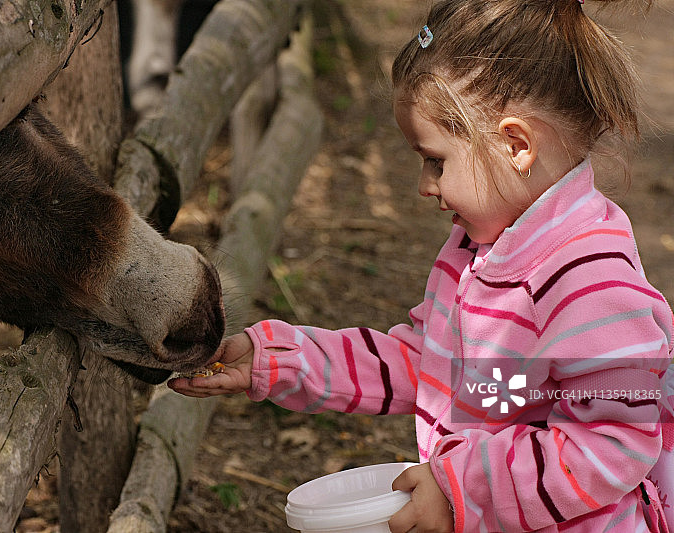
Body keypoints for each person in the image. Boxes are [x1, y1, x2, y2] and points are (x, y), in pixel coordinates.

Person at [169, 0, 674, 530]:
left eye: (436, 161)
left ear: (516, 145)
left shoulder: (590, 282)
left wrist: (461, 488)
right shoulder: (480, 248)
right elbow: (430, 367)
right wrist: (284, 361)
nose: (424, 185)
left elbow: (613, 443)